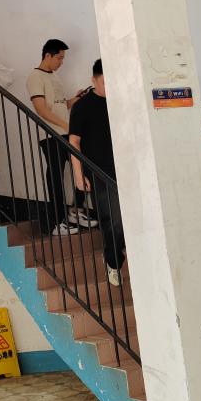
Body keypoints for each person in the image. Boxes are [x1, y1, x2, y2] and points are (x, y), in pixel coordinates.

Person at [27, 39, 96, 236]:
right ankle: (57, 222)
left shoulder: (54, 77)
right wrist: (67, 126)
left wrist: (76, 99)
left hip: (65, 133)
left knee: (81, 169)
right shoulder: (35, 77)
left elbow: (60, 105)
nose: (61, 62)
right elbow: (41, 110)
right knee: (56, 175)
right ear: (47, 55)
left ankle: (75, 211)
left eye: (63, 58)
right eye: (59, 58)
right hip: (50, 135)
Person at [69, 59, 124, 286]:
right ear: (94, 80)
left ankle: (116, 254)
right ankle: (113, 261)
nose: (110, 86)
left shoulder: (122, 101)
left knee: (125, 219)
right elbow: (74, 141)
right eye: (105, 81)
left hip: (126, 168)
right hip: (99, 171)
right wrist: (78, 175)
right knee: (113, 219)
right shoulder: (82, 106)